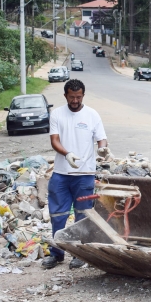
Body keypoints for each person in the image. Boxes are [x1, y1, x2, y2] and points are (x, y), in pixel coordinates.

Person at [44, 79, 113, 270]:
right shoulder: (57, 114)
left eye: (79, 97)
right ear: (65, 95)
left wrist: (102, 149)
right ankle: (56, 253)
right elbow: (54, 140)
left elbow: (101, 139)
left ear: (83, 95)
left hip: (85, 174)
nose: (75, 100)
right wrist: (67, 154)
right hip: (61, 174)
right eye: (72, 97)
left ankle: (79, 254)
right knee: (58, 215)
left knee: (82, 216)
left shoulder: (92, 115)